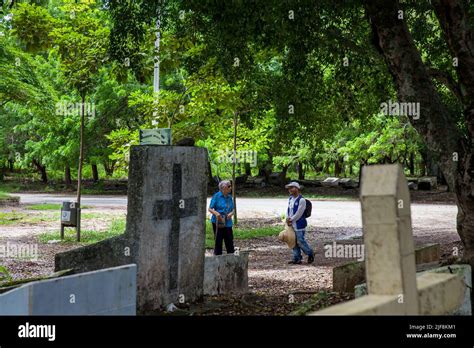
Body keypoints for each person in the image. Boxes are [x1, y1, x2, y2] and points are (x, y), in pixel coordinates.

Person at [285, 181, 314, 265]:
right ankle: (296, 258)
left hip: (299, 224)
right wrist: (287, 218)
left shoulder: (301, 200)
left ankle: (310, 253)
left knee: (300, 241)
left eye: (292, 187)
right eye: (289, 188)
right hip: (291, 223)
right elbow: (288, 210)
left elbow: (299, 213)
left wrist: (291, 219)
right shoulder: (290, 199)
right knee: (292, 240)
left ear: (297, 188)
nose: (290, 189)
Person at [208, 180, 235, 255]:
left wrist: (231, 213)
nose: (231, 188)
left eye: (230, 186)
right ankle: (217, 259)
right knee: (218, 241)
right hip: (218, 221)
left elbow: (233, 209)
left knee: (229, 241)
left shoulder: (229, 197)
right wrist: (217, 213)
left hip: (228, 222)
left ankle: (231, 259)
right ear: (223, 188)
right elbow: (210, 208)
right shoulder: (216, 196)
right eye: (229, 186)